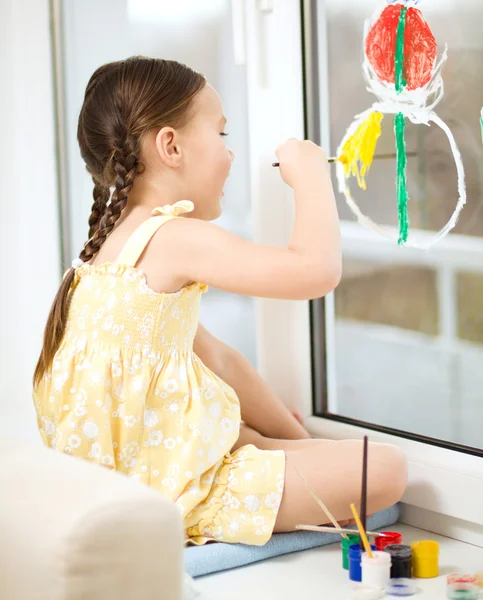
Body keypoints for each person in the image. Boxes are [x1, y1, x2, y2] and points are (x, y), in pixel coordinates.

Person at [33, 57, 407, 546]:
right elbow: (316, 271)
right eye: (223, 135)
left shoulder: (110, 255)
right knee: (384, 469)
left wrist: (300, 447)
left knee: (266, 436)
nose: (231, 156)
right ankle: (252, 457)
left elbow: (224, 362)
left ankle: (260, 446)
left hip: (134, 476)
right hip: (164, 493)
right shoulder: (174, 236)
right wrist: (311, 176)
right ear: (170, 145)